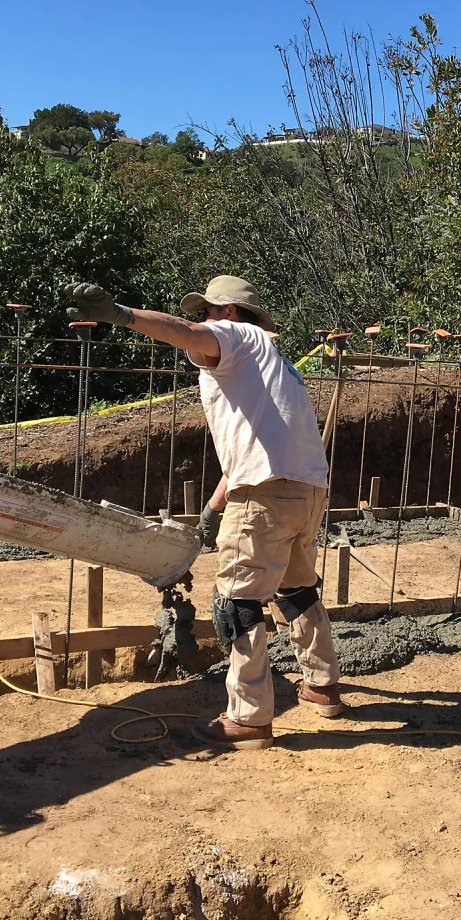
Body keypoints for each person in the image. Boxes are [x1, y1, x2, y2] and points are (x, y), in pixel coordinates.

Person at [62, 275, 344, 751]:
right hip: (305, 494)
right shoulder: (276, 365)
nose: (202, 321)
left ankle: (249, 718)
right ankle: (322, 685)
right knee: (297, 590)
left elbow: (186, 333)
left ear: (229, 313)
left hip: (265, 498)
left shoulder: (237, 337)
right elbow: (250, 450)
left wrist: (122, 316)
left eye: (208, 311)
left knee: (237, 603)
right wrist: (214, 509)